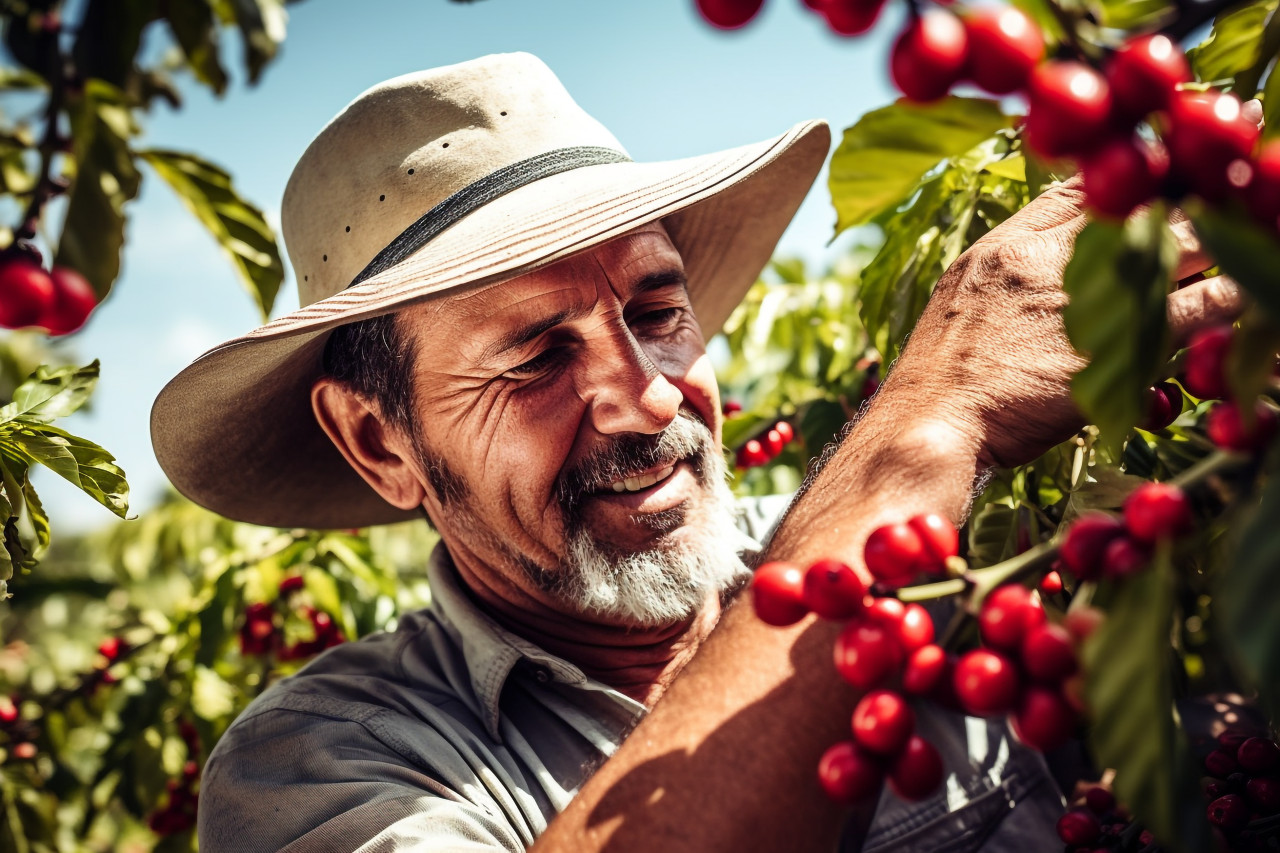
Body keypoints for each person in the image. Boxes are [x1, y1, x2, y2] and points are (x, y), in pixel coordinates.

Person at [151, 52, 1241, 852]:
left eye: (656, 308)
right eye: (533, 357)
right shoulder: (327, 765)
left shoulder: (965, 564)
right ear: (378, 441)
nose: (643, 394)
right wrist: (925, 425)